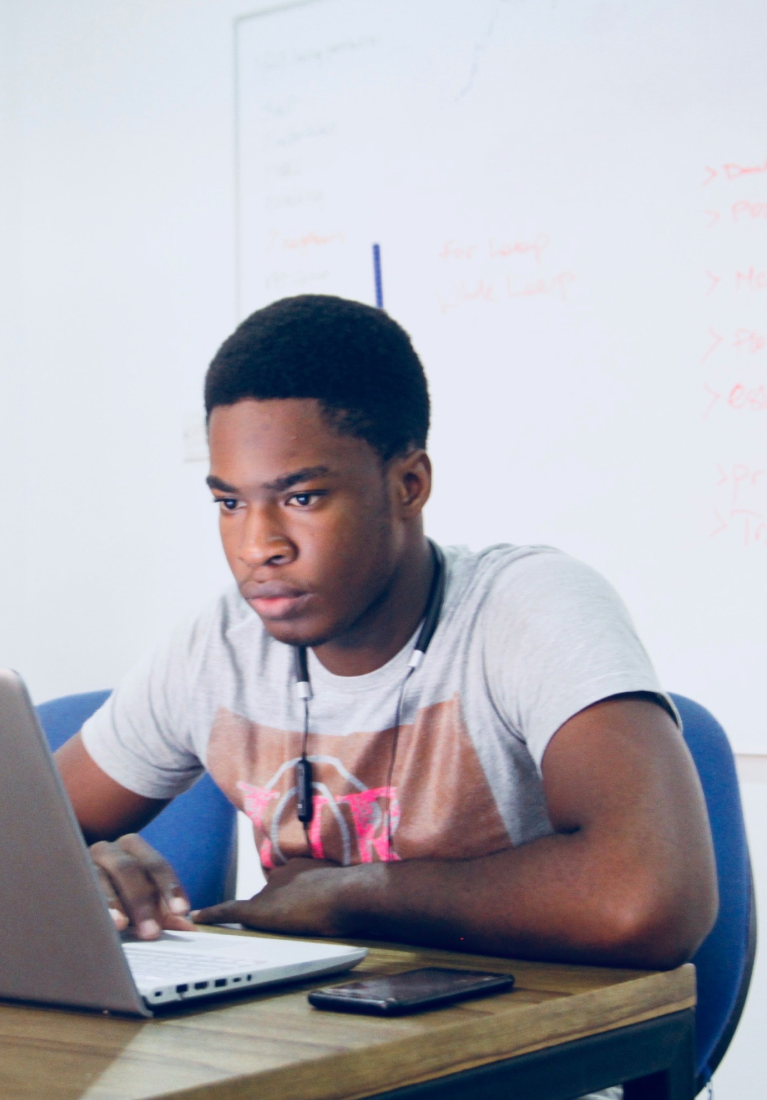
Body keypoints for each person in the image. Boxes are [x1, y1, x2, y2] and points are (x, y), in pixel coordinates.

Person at [55, 294, 717, 969]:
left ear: (408, 483)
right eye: (230, 503)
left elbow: (648, 901)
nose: (258, 546)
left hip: (530, 1054)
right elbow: (0, 839)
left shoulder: (528, 607)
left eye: (301, 498)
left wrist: (353, 896)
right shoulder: (220, 644)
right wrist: (83, 871)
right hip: (312, 1044)